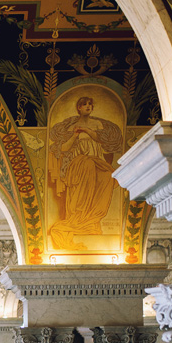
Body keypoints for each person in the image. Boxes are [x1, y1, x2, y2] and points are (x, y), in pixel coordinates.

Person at [48, 95, 123, 250]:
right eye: (84, 104)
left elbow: (103, 141)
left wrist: (88, 131)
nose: (88, 106)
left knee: (108, 177)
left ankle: (91, 220)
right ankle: (79, 217)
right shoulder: (71, 127)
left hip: (98, 161)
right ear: (79, 108)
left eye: (90, 104)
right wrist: (75, 134)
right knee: (88, 165)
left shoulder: (97, 124)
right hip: (78, 163)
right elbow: (64, 148)